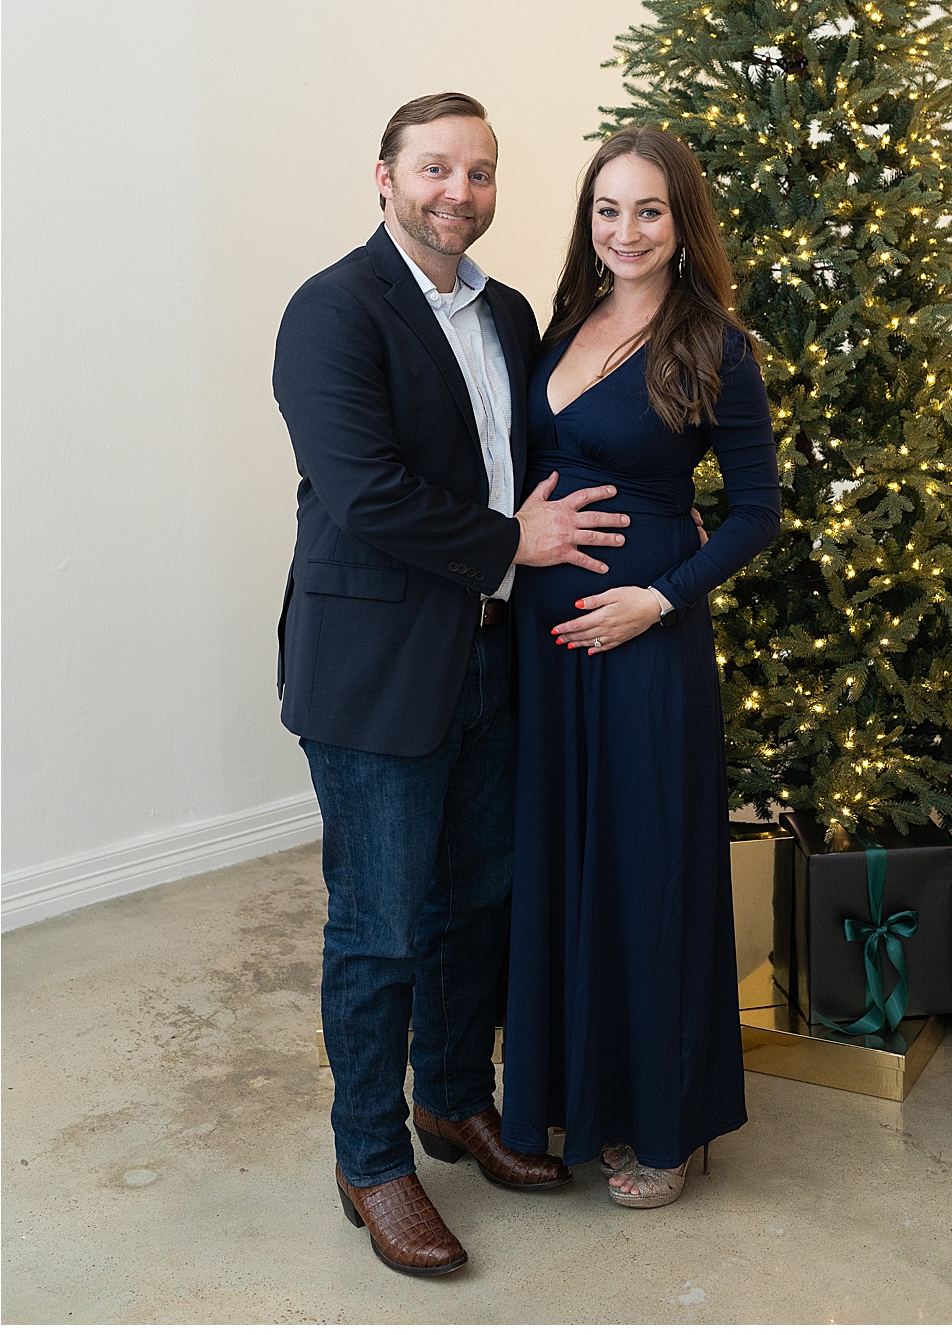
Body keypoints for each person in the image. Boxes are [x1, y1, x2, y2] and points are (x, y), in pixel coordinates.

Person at [272, 92, 634, 1278]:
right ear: (385, 176)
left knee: (477, 894)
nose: (458, 194)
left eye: (479, 173)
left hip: (496, 653)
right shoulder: (331, 310)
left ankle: (451, 1101)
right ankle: (371, 1158)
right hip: (378, 667)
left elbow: (538, 463)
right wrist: (505, 545)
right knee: (378, 928)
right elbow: (366, 490)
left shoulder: (511, 309)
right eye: (436, 169)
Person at [499, 125, 781, 1207]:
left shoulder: (718, 345)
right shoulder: (560, 323)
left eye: (649, 210)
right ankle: (577, 1095)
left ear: (682, 221)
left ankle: (665, 1123)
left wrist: (658, 599)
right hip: (546, 634)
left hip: (645, 635)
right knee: (561, 861)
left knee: (647, 865)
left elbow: (757, 511)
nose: (626, 230)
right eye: (608, 209)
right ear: (589, 218)